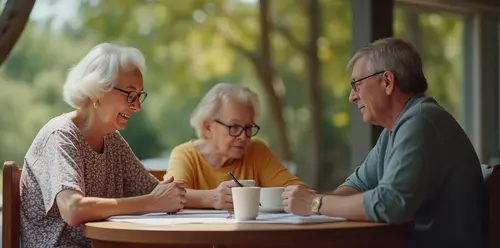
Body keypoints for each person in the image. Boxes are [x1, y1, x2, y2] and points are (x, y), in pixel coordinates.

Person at [281, 37, 487, 248]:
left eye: (357, 84)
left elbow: (391, 204)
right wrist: (315, 200)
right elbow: (358, 186)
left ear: (387, 82)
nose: (352, 97)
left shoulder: (421, 121)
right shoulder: (393, 132)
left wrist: (316, 204)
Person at [20, 43, 187, 248]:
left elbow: (158, 192)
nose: (137, 106)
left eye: (139, 95)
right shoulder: (60, 135)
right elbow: (73, 209)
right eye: (129, 94)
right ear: (97, 92)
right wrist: (152, 202)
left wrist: (215, 198)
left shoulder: (111, 139)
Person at [164, 83, 304, 210]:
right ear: (207, 127)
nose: (243, 137)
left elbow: (299, 192)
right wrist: (212, 198)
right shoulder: (186, 155)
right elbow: (169, 195)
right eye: (235, 127)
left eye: (248, 127)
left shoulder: (256, 151)